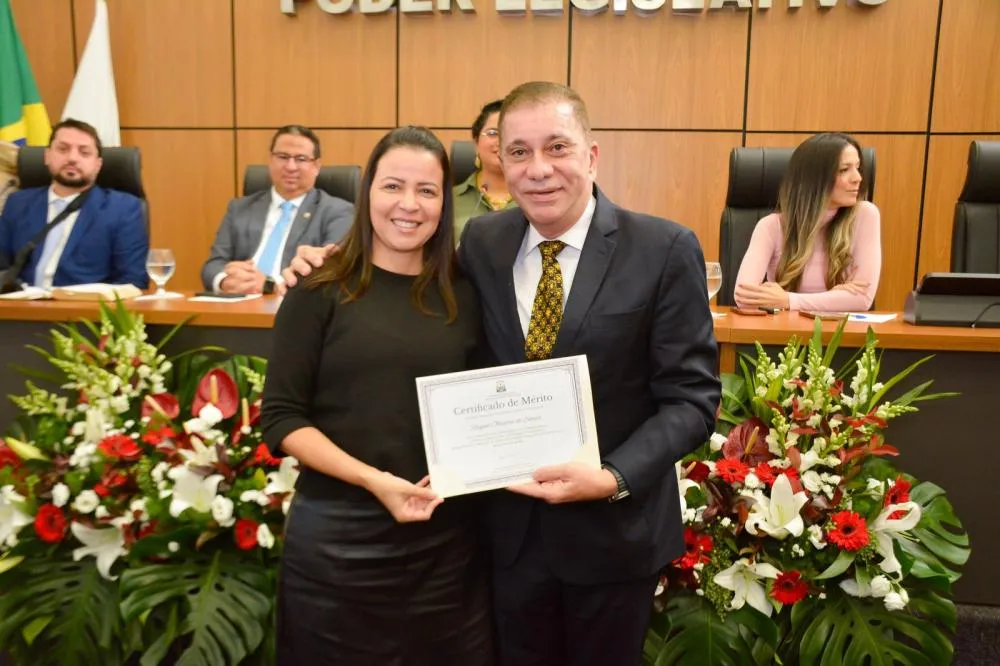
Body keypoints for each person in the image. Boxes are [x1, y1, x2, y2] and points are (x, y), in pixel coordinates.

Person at [280, 82, 721, 666]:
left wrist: (612, 476)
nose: (538, 169)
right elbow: (394, 274)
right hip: (502, 538)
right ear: (499, 162)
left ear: (591, 155)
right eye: (519, 152)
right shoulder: (485, 243)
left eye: (556, 148)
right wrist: (326, 260)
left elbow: (691, 398)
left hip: (611, 539)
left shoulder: (663, 248)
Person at [260, 126, 492, 666]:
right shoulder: (317, 289)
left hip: (446, 549)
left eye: (427, 191)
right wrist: (373, 480)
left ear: (444, 203)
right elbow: (281, 419)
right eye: (392, 186)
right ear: (366, 193)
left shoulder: (468, 294)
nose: (408, 205)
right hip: (338, 547)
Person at [733, 132, 882, 312]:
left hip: (840, 336)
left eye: (858, 168)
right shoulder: (771, 226)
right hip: (785, 336)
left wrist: (788, 300)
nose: (858, 178)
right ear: (814, 179)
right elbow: (744, 297)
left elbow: (861, 300)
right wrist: (834, 298)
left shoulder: (865, 215)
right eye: (844, 170)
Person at [200, 125, 353, 295]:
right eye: (283, 157)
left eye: (301, 159)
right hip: (239, 305)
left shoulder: (337, 211)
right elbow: (212, 265)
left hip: (292, 309)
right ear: (271, 160)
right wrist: (224, 280)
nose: (290, 166)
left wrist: (269, 285)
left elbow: (330, 272)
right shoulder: (240, 208)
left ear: (316, 166)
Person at [0, 119, 148, 289]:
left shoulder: (123, 208)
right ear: (47, 156)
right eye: (63, 149)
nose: (72, 158)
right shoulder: (18, 203)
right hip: (20, 308)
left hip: (84, 311)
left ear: (98, 164)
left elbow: (132, 281)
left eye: (84, 153)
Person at [453, 99, 518, 237]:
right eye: (493, 133)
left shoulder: (538, 198)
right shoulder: (449, 199)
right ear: (476, 142)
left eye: (511, 133)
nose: (501, 141)